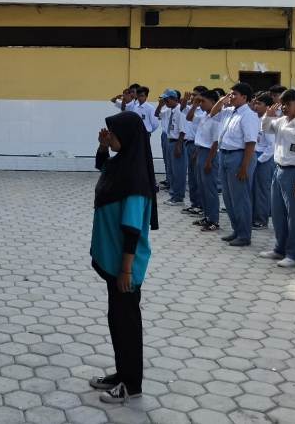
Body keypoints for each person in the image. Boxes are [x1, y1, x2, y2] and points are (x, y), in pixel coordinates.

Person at [89, 111, 157, 404]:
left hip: (124, 266)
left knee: (127, 323)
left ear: (128, 137)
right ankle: (121, 372)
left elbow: (131, 228)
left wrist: (126, 270)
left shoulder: (135, 178)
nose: (110, 137)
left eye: (114, 135)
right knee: (117, 320)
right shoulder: (122, 165)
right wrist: (104, 147)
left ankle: (131, 385)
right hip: (114, 262)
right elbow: (103, 167)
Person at [258, 89, 295, 267]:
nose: (285, 107)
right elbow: (265, 128)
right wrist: (267, 115)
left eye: (289, 104)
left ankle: (294, 254)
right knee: (278, 213)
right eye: (283, 104)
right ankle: (279, 248)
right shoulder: (280, 121)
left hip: (294, 172)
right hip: (278, 169)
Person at [210, 82, 259, 247]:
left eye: (234, 94)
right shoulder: (229, 112)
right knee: (228, 197)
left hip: (239, 157)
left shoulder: (248, 115)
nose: (231, 97)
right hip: (224, 155)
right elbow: (212, 113)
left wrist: (244, 167)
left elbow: (250, 143)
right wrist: (222, 100)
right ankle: (236, 230)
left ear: (244, 97)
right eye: (230, 94)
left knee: (240, 198)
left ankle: (245, 235)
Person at [187, 90, 221, 231]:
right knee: (202, 188)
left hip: (209, 154)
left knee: (210, 189)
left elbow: (215, 142)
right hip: (201, 152)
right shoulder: (205, 116)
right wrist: (194, 105)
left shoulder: (217, 118)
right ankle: (207, 216)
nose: (201, 104)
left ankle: (214, 220)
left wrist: (208, 161)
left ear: (213, 103)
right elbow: (189, 118)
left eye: (203, 101)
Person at [179, 86, 210, 215]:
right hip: (189, 144)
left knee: (199, 178)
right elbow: (185, 113)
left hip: (198, 146)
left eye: (196, 95)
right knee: (192, 177)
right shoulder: (195, 109)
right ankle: (194, 203)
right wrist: (192, 104)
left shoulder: (205, 112)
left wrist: (197, 104)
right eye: (193, 95)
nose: (193, 97)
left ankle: (201, 205)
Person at [251, 92, 275, 229]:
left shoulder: (268, 121)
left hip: (264, 159)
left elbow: (271, 146)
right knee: (253, 189)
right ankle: (254, 217)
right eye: (255, 103)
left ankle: (261, 220)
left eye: (259, 104)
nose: (256, 106)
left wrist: (259, 160)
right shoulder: (254, 118)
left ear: (268, 107)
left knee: (261, 190)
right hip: (254, 155)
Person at [158, 89, 184, 206]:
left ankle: (178, 197)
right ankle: (173, 194)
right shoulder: (170, 110)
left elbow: (183, 130)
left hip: (176, 142)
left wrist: (179, 146)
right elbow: (157, 114)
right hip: (170, 141)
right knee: (172, 170)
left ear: (175, 99)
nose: (165, 102)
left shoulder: (180, 110)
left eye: (167, 100)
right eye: (164, 100)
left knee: (178, 171)